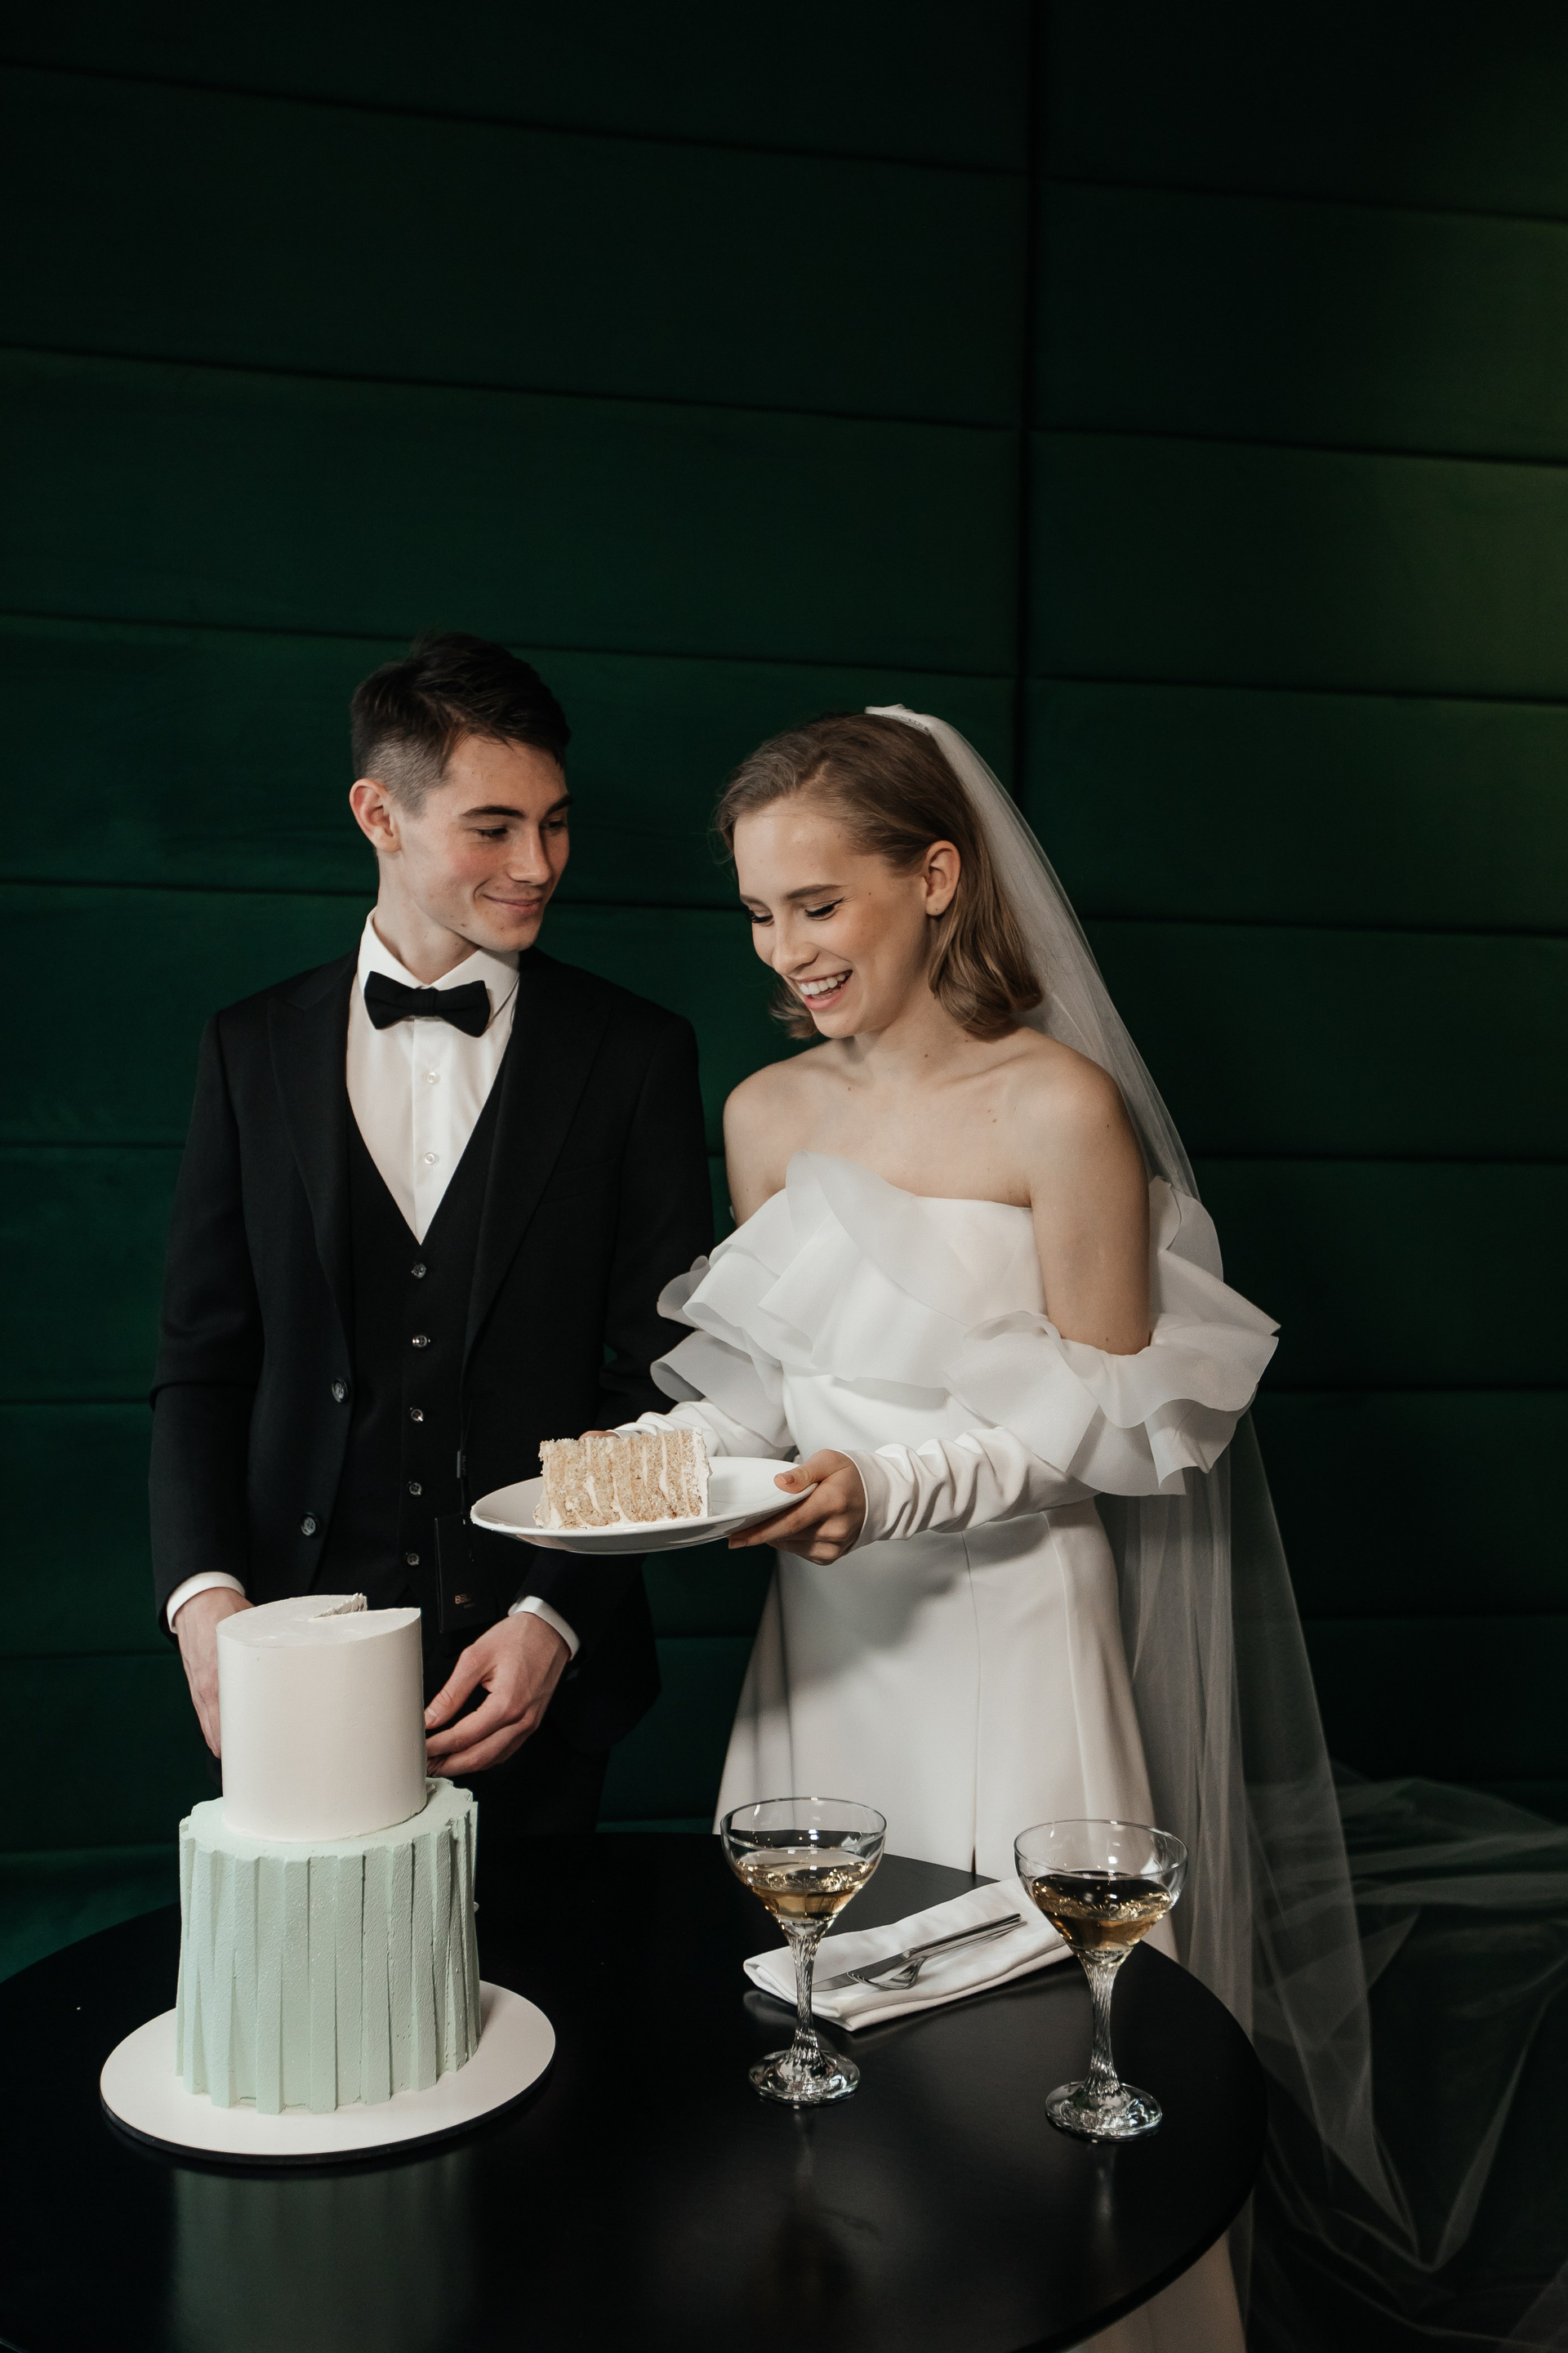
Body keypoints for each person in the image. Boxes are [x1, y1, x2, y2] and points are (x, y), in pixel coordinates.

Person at [617, 705, 1294, 2348]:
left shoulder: (1059, 1108)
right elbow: (768, 1391)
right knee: (812, 2068)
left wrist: (896, 1487)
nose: (788, 949)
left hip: (1010, 1639)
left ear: (933, 877)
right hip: (827, 1654)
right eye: (761, 913)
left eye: (819, 903)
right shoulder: (766, 1112)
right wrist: (628, 1476)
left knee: (1039, 2081)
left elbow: (1111, 1425)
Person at [150, 631, 711, 1838]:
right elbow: (203, 1362)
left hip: (540, 1675)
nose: (537, 865)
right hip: (287, 1657)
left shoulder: (637, 1054)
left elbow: (660, 1380)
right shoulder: (248, 1048)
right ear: (379, 815)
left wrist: (554, 1616)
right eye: (493, 827)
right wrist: (203, 1603)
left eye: (555, 824)